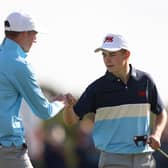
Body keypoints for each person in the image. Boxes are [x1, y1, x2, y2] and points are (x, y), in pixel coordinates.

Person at [63, 33, 168, 168]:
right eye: (104, 55)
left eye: (112, 54)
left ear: (126, 54)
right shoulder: (97, 88)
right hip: (113, 159)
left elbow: (161, 112)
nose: (107, 60)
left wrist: (157, 134)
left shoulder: (145, 81)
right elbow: (71, 120)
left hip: (144, 159)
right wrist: (68, 107)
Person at [0, 11, 65, 168]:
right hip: (8, 148)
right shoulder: (20, 64)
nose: (35, 39)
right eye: (33, 34)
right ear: (23, 34)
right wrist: (60, 103)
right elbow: (44, 111)